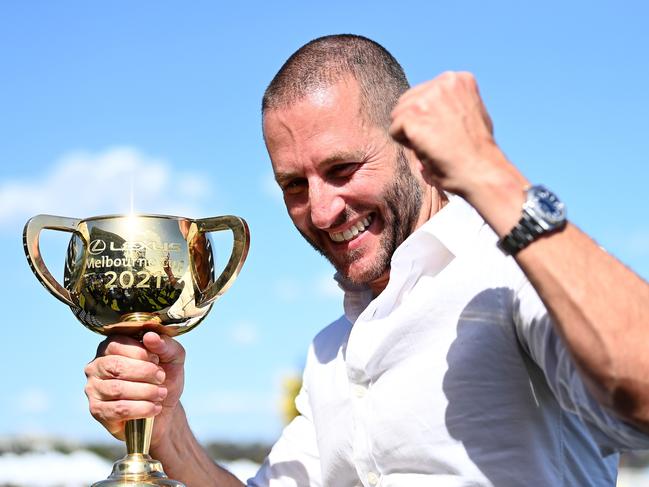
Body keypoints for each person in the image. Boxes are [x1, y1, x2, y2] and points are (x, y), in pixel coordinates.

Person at [84, 34, 649, 486]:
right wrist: (166, 433)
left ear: (413, 148)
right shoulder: (332, 351)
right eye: (294, 185)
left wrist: (490, 175)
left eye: (343, 169)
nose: (323, 210)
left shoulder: (509, 272)